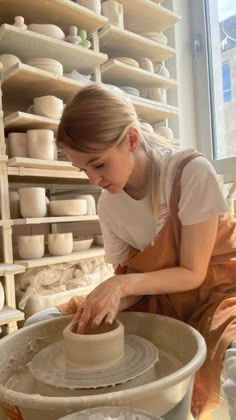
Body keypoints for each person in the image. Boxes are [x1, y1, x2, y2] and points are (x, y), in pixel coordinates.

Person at [25, 84, 236, 419]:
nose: (93, 180)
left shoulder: (189, 173)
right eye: (84, 170)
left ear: (132, 141)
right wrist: (103, 304)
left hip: (216, 293)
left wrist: (120, 286)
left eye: (99, 164)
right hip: (159, 296)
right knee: (40, 323)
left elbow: (192, 273)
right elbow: (129, 279)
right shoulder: (109, 205)